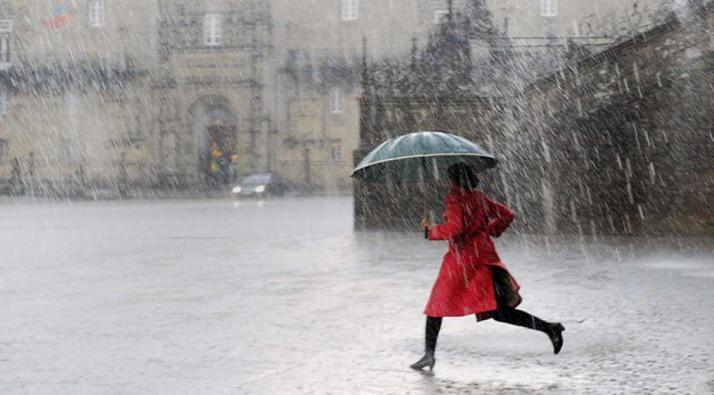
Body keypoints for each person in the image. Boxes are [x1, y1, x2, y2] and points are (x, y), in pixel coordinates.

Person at [410, 162, 564, 372]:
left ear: (453, 180)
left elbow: (456, 229)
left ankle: (429, 354)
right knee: (497, 311)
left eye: (448, 177)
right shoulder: (479, 198)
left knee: (437, 306)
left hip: (462, 261)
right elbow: (507, 214)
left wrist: (431, 231)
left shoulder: (456, 199)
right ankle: (549, 328)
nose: (445, 182)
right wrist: (491, 230)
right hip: (483, 256)